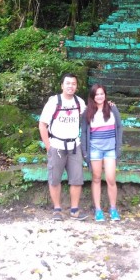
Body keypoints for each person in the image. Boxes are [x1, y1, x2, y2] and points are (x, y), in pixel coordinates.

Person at [39, 73, 88, 221]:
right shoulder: (54, 102)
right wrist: (49, 146)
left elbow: (89, 118)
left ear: (76, 86)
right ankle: (57, 209)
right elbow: (42, 125)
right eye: (68, 83)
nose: (70, 86)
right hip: (57, 146)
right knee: (55, 179)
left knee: (77, 179)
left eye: (73, 83)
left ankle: (74, 210)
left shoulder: (79, 102)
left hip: (74, 146)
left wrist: (108, 106)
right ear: (62, 85)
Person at [81, 84, 123, 222]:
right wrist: (85, 152)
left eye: (102, 93)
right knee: (96, 178)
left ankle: (113, 208)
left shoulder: (112, 108)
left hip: (110, 149)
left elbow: (119, 127)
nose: (99, 96)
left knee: (111, 179)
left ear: (105, 95)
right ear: (92, 96)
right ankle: (98, 209)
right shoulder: (87, 112)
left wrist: (118, 148)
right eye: (96, 94)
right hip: (94, 150)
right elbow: (85, 133)